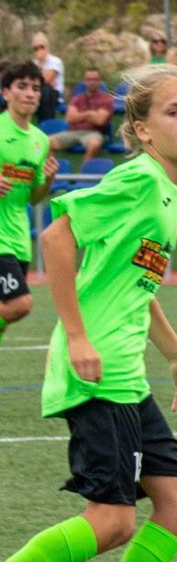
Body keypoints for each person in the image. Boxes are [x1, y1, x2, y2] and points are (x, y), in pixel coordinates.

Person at [0, 63, 177, 562]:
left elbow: (133, 286)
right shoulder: (138, 182)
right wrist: (80, 335)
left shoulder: (166, 193)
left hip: (127, 375)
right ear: (143, 131)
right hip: (98, 373)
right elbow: (56, 235)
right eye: (175, 112)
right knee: (113, 521)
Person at [0, 61, 59, 336]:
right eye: (22, 87)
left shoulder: (40, 140)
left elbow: (35, 199)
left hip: (19, 240)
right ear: (6, 93)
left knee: (5, 313)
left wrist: (47, 180)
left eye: (35, 88)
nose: (30, 93)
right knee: (20, 304)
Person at [54, 68, 114, 158]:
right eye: (89, 79)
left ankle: (83, 171)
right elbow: (69, 119)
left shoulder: (106, 99)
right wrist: (89, 114)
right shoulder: (77, 98)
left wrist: (78, 116)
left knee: (94, 144)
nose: (92, 82)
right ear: (85, 81)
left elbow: (100, 121)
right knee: (47, 142)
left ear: (99, 81)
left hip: (95, 133)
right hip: (73, 132)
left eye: (95, 79)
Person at [31, 34, 65, 121]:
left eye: (41, 47)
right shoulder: (33, 63)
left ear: (47, 47)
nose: (39, 50)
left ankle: (46, 122)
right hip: (37, 91)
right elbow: (32, 81)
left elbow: (46, 80)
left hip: (53, 94)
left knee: (46, 90)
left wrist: (41, 64)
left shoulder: (56, 61)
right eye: (36, 48)